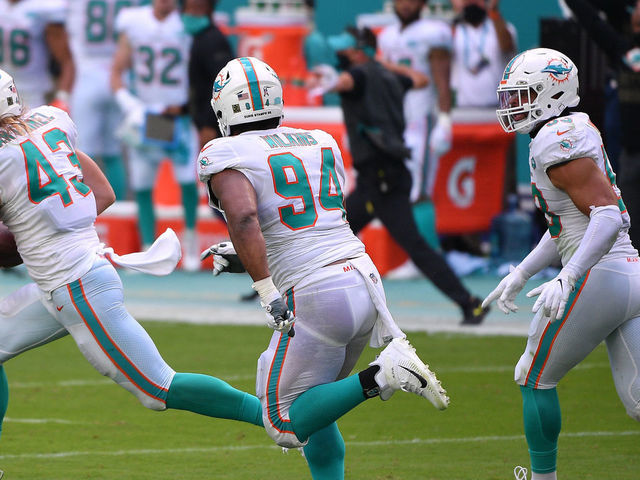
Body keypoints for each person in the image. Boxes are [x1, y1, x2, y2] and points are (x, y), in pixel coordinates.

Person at [0, 67, 271, 467]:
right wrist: (45, 235)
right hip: (75, 272)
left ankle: (275, 416)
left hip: (75, 287)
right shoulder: (51, 120)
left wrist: (37, 239)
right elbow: (104, 193)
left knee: (157, 388)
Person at [198, 56, 450, 480]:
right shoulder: (319, 140)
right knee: (313, 402)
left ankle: (384, 374)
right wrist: (248, 260)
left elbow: (244, 219)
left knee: (283, 422)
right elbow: (313, 227)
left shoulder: (222, 153)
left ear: (225, 107)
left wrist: (265, 288)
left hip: (315, 294)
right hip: (361, 279)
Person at [482, 48, 640, 480]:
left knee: (533, 376)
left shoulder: (556, 140)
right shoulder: (566, 131)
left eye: (523, 95)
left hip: (599, 273)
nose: (513, 105)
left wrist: (569, 275)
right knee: (639, 402)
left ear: (553, 93)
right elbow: (568, 228)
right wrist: (522, 272)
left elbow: (606, 214)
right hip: (628, 270)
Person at [311, 26, 489, 325]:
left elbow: (344, 81)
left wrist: (327, 81)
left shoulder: (360, 75)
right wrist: (381, 62)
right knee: (328, 235)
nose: (340, 55)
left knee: (411, 246)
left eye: (345, 50)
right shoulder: (389, 76)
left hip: (383, 182)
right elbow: (418, 79)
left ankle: (469, 302)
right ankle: (281, 290)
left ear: (358, 52)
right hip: (380, 178)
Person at [110, 0, 200, 270]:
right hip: (148, 115)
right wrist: (131, 104)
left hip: (176, 116)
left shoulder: (186, 24)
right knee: (142, 184)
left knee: (187, 180)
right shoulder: (135, 22)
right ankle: (148, 246)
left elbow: (199, 70)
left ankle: (191, 240)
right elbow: (116, 71)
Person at [376, 0, 452, 273]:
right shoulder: (387, 35)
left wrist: (444, 120)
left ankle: (426, 260)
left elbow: (443, 81)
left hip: (422, 120)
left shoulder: (434, 32)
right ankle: (424, 258)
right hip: (397, 122)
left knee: (418, 191)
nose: (405, 4)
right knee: (402, 189)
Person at [561, 0, 640, 250]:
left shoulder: (626, 50)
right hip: (632, 150)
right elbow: (594, 19)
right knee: (630, 221)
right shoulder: (624, 46)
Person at [66, 0, 148, 200]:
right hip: (119, 78)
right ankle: (116, 208)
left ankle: (84, 209)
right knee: (114, 153)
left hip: (86, 76)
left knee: (84, 153)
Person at [0, 0, 74, 110]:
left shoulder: (43, 7)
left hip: (35, 95)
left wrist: (62, 97)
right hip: (3, 92)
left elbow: (66, 59)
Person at [182, 0, 234, 148]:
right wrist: (182, 109)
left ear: (209, 10)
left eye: (197, 8)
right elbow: (200, 86)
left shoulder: (213, 40)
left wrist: (210, 125)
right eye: (188, 8)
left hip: (213, 127)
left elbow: (224, 84)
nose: (191, 13)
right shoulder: (199, 39)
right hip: (198, 124)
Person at [451, 0, 517, 108]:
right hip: (462, 110)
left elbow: (506, 46)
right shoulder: (454, 30)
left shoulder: (500, 27)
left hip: (497, 109)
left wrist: (494, 10)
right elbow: (443, 54)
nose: (472, 2)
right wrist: (455, 12)